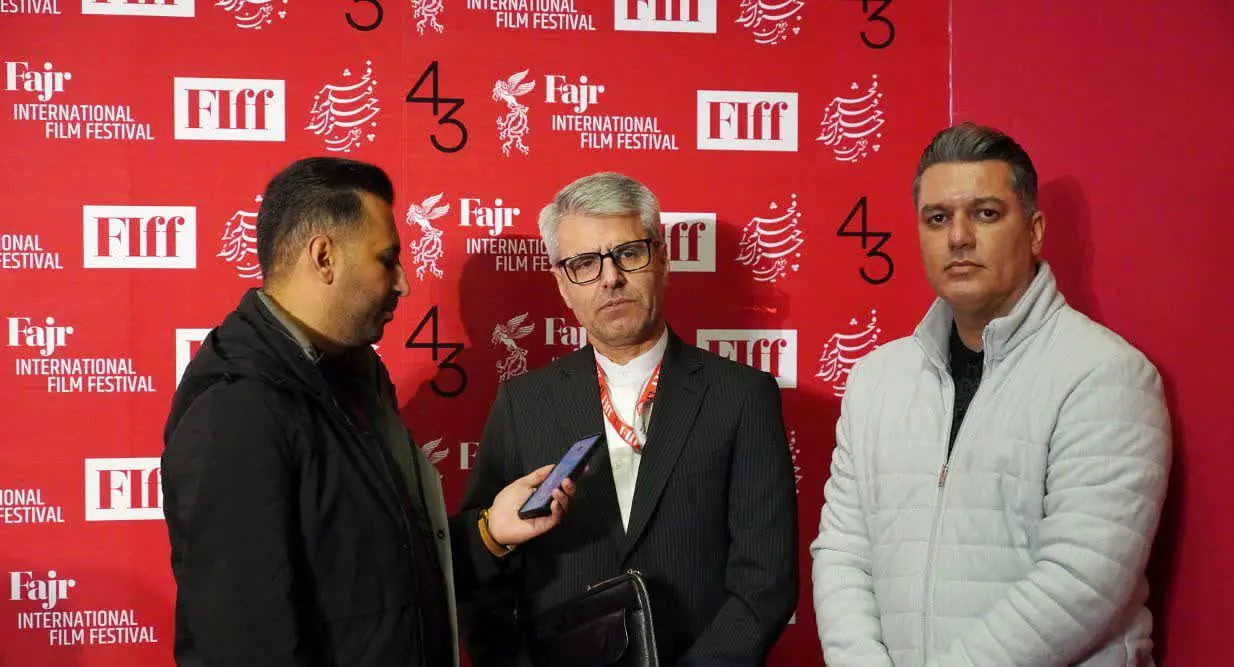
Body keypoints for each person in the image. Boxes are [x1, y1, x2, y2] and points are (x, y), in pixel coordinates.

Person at [161, 157, 572, 667]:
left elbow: (379, 577)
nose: (403, 283)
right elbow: (245, 644)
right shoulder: (234, 410)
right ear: (324, 257)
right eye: (386, 260)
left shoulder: (355, 377)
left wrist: (489, 531)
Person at [809, 123, 1172, 666]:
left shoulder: (1106, 375)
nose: (958, 237)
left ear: (1034, 231)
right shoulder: (875, 380)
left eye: (984, 213)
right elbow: (842, 553)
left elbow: (1082, 580)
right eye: (937, 218)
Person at [451, 171, 799, 666]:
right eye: (584, 264)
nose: (610, 278)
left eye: (629, 253)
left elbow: (764, 584)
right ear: (562, 285)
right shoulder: (522, 404)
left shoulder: (741, 396)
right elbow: (481, 580)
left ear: (663, 260)